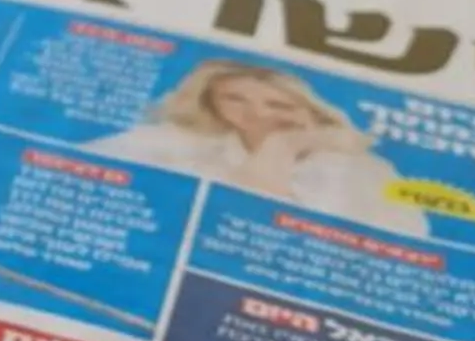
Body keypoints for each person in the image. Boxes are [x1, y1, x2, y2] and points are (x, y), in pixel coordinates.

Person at [97, 60, 427, 234]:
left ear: (309, 110)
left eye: (277, 104)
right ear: (210, 102)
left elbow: (257, 220)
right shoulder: (180, 140)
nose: (256, 114)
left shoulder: (362, 171)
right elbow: (91, 163)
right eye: (235, 99)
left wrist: (286, 144)